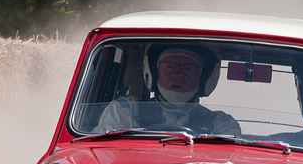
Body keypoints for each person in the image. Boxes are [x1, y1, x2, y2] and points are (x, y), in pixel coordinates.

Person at [93, 45, 241, 136]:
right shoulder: (124, 112)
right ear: (153, 72)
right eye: (169, 66)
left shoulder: (222, 125)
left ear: (204, 79)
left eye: (188, 68)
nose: (177, 74)